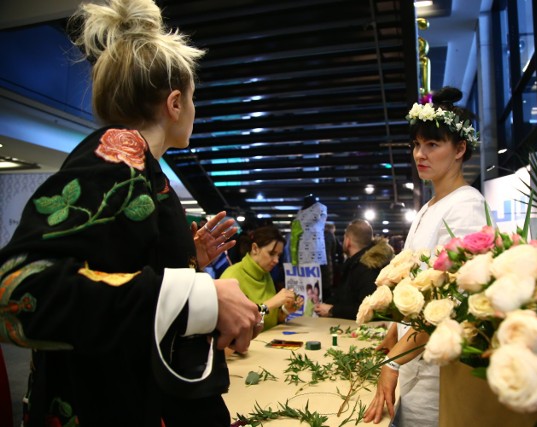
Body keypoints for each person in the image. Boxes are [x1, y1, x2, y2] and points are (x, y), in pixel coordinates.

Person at [0, 1, 262, 425]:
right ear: (175, 103)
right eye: (194, 99)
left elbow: (110, 264)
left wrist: (183, 257)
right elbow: (17, 290)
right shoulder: (119, 160)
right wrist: (200, 295)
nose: (194, 110)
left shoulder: (141, 168)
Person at [363, 87, 487, 426]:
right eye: (416, 144)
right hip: (411, 356)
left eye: (433, 144)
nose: (420, 153)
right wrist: (391, 333)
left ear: (460, 149)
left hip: (435, 365)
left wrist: (392, 364)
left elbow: (448, 302)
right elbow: (414, 285)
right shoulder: (427, 208)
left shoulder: (467, 207)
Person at [221, 226, 301, 330]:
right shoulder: (231, 278)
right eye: (271, 253)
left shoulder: (265, 274)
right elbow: (234, 323)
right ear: (255, 248)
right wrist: (270, 304)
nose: (276, 260)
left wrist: (285, 310)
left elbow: (269, 320)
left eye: (279, 255)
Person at [314, 219, 394, 320]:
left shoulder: (368, 268)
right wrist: (327, 304)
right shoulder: (357, 264)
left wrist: (332, 310)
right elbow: (345, 295)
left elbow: (368, 308)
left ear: (347, 241)